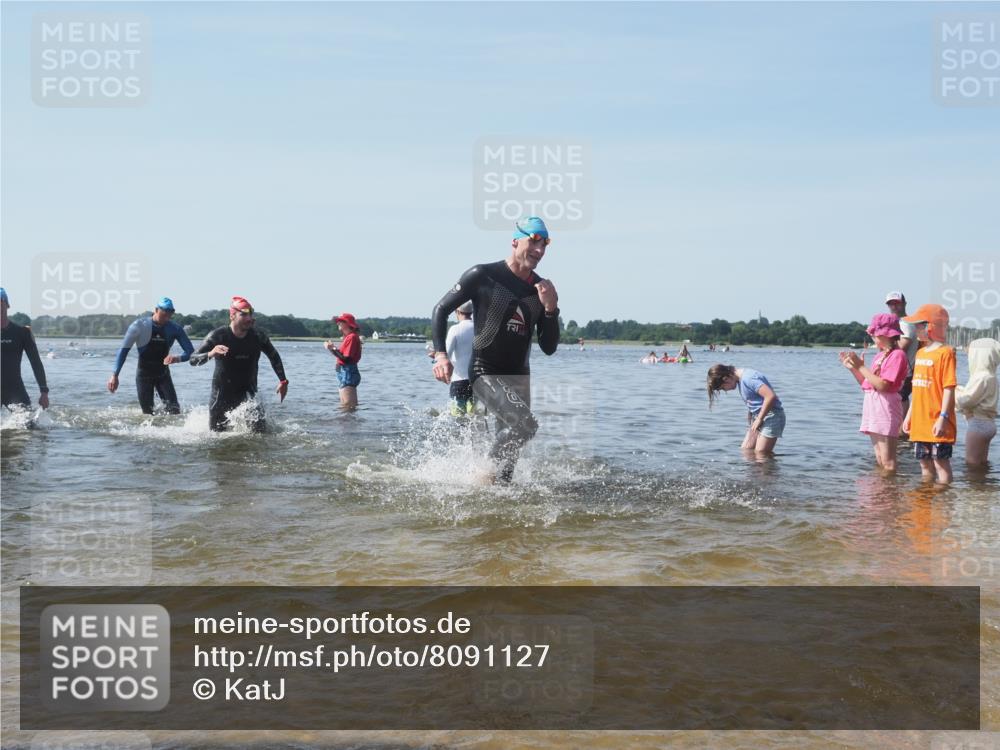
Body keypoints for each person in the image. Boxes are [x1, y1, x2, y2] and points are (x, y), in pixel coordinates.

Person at [430, 216, 560, 484]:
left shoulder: (541, 289)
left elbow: (548, 348)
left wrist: (551, 309)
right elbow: (440, 309)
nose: (539, 250)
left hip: (520, 378)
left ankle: (496, 504)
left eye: (544, 244)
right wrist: (441, 355)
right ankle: (481, 474)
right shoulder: (483, 275)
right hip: (485, 372)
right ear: (515, 241)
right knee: (526, 425)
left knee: (508, 468)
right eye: (533, 241)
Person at [189, 296, 288, 432]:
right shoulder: (218, 336)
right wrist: (210, 354)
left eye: (250, 314)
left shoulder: (258, 336)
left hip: (249, 396)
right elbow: (193, 360)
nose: (249, 318)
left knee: (261, 436)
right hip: (221, 397)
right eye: (244, 314)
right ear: (232, 316)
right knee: (216, 439)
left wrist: (283, 380)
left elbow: (274, 356)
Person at [839, 313, 908, 472]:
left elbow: (883, 385)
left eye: (875, 335)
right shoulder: (879, 355)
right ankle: (881, 491)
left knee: (888, 461)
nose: (872, 337)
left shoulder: (897, 355)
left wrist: (861, 367)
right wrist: (854, 369)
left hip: (886, 408)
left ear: (886, 335)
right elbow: (867, 384)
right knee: (879, 457)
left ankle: (889, 493)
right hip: (873, 407)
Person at [107, 297, 194, 415]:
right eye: (164, 313)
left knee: (174, 411)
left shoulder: (174, 328)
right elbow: (123, 350)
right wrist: (115, 375)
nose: (167, 317)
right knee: (148, 414)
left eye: (170, 314)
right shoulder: (139, 326)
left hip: (163, 374)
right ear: (156, 310)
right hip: (144, 375)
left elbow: (190, 352)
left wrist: (177, 358)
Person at [900, 304, 956, 484]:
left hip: (938, 420)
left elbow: (949, 387)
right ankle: (925, 498)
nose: (915, 329)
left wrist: (943, 417)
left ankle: (943, 501)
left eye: (918, 325)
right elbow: (917, 388)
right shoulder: (921, 353)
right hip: (920, 421)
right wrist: (908, 417)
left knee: (940, 463)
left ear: (930, 327)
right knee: (924, 464)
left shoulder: (945, 353)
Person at [707, 364, 785, 455]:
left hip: (772, 416)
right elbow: (756, 399)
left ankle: (767, 469)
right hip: (759, 417)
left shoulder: (749, 378)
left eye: (723, 388)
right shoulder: (740, 380)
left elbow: (770, 396)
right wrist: (751, 412)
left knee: (761, 455)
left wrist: (759, 418)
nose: (726, 390)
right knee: (746, 451)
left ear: (726, 378)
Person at [0, 288, 50, 412]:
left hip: (14, 388)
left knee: (29, 426)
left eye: (1, 303)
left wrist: (44, 392)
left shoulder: (21, 333)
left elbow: (36, 362)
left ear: (7, 305)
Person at [956, 337, 1000, 467]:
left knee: (972, 464)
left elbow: (966, 401)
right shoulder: (991, 376)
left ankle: (975, 487)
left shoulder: (981, 377)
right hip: (988, 424)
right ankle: (983, 485)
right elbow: (978, 397)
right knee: (982, 463)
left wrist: (955, 391)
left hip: (978, 425)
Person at [884, 292, 919, 408]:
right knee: (898, 399)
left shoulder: (906, 323)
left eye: (897, 303)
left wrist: (883, 339)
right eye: (891, 304)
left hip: (904, 372)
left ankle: (902, 426)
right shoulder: (898, 322)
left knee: (900, 399)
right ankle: (902, 425)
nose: (894, 307)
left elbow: (902, 346)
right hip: (899, 371)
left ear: (904, 304)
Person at [324, 312, 362, 409]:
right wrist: (332, 348)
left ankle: (350, 424)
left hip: (348, 372)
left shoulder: (352, 337)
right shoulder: (348, 337)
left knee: (349, 407)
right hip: (344, 371)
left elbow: (346, 359)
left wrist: (332, 348)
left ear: (347, 323)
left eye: (340, 321)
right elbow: (342, 356)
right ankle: (346, 423)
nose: (338, 323)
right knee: (345, 407)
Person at [444, 301, 475, 416]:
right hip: (477, 381)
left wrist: (436, 355)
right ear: (471, 312)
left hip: (459, 381)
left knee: (458, 419)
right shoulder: (479, 328)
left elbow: (446, 353)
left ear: (457, 312)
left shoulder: (455, 329)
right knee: (475, 418)